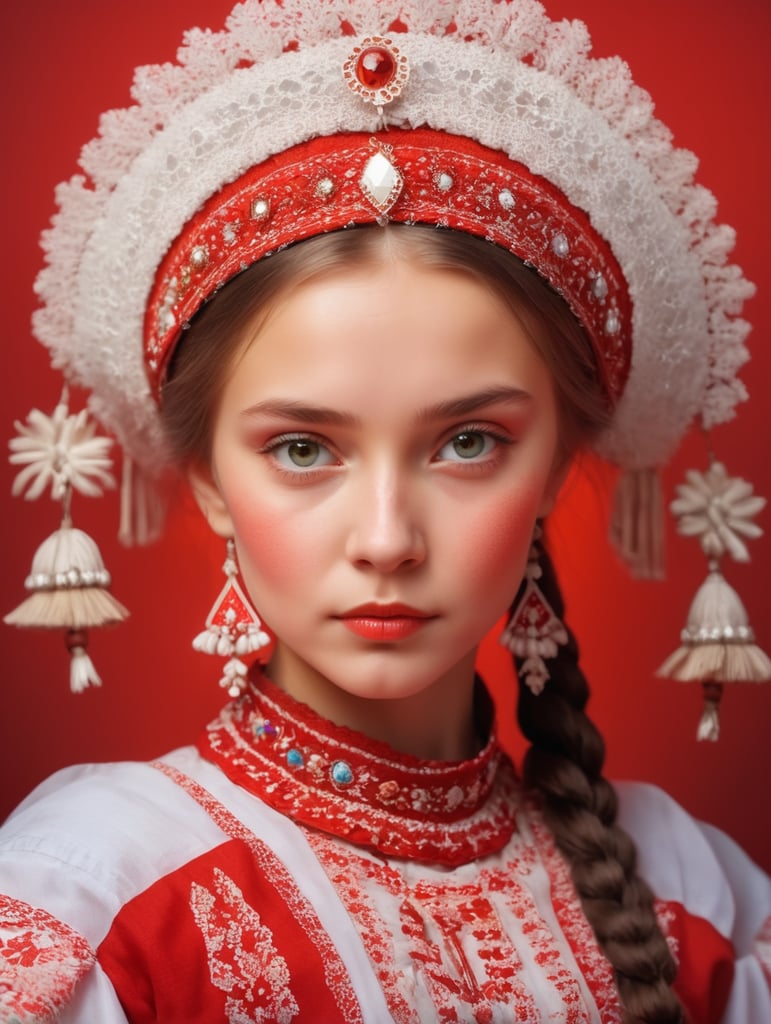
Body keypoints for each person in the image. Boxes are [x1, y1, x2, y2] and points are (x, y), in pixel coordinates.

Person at [1, 1, 770, 1022]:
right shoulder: (105, 892)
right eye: (303, 449)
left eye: (468, 442)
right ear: (209, 482)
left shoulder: (687, 892)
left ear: (554, 468)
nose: (386, 541)